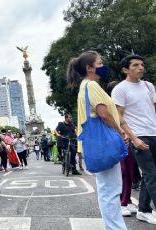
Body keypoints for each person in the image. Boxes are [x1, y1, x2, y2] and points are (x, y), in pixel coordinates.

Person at [67, 50, 127, 229]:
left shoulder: (84, 86)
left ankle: (114, 226)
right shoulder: (91, 86)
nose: (103, 66)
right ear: (89, 68)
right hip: (105, 141)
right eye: (99, 63)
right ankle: (116, 228)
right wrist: (120, 132)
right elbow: (104, 114)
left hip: (96, 143)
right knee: (111, 190)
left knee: (107, 190)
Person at [111, 55, 156, 224]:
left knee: (150, 176)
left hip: (154, 133)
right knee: (151, 174)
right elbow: (119, 117)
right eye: (136, 65)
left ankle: (143, 210)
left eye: (142, 65)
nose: (141, 68)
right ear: (125, 70)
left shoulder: (149, 86)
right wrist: (134, 138)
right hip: (139, 135)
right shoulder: (120, 89)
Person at [106, 80, 138, 217]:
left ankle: (128, 199)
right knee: (123, 171)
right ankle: (122, 202)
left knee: (130, 171)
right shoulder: (108, 107)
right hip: (115, 141)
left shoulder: (126, 107)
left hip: (129, 140)